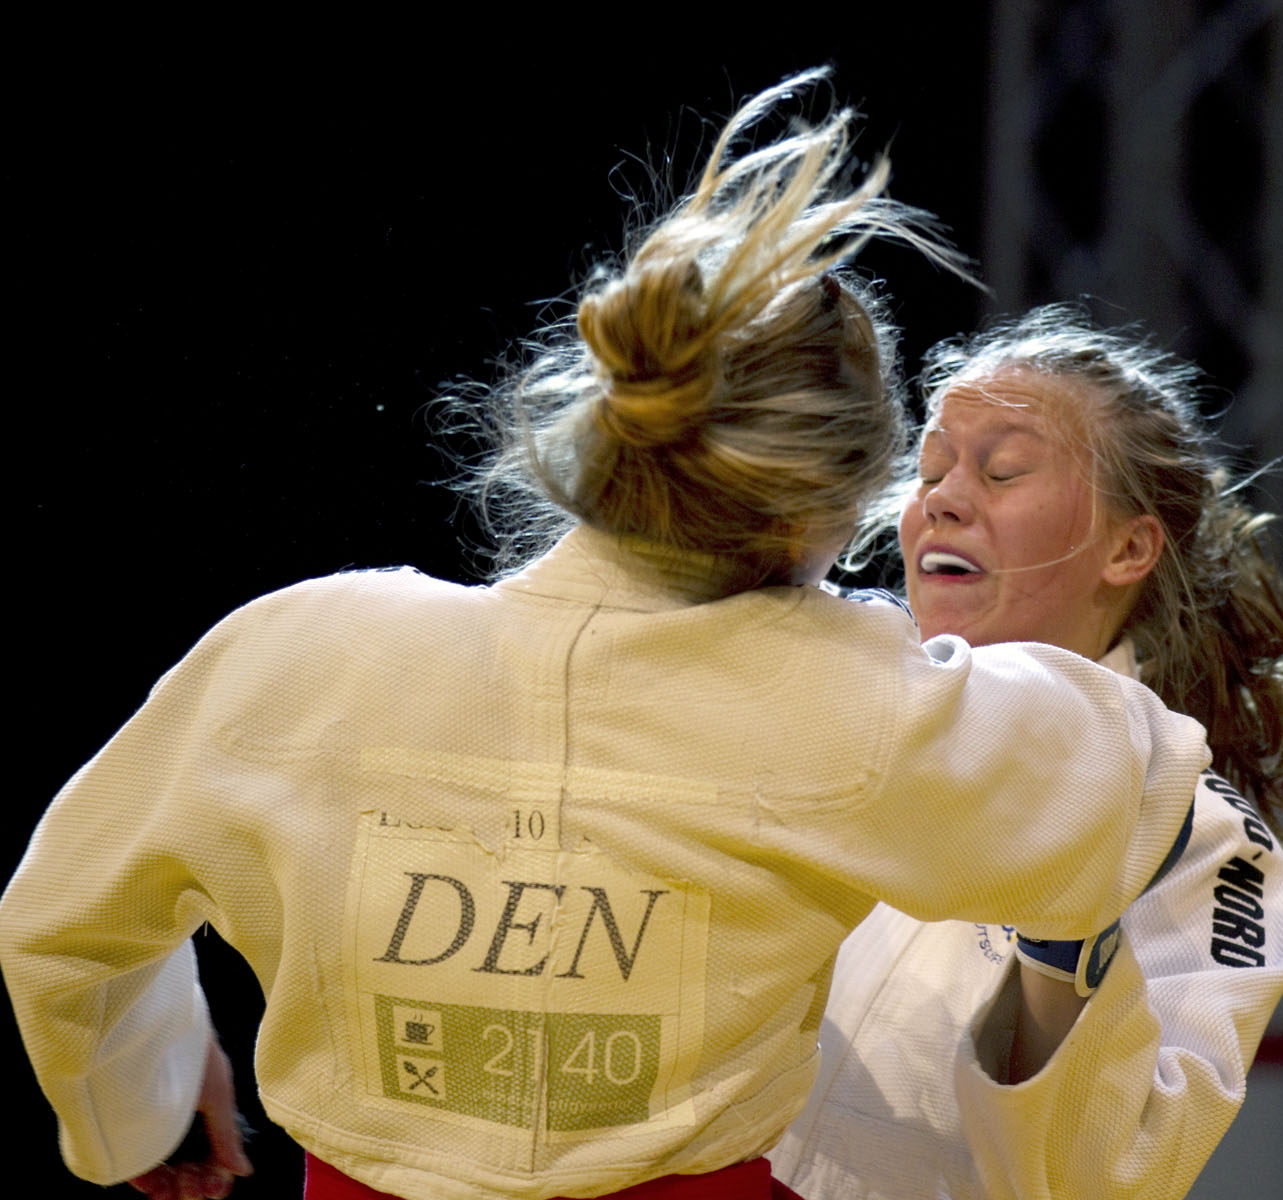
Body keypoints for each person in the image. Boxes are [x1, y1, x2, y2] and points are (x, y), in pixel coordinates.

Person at [0, 81, 1210, 1200]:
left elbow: (60, 921)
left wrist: (144, 1101)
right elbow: (1133, 786)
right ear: (823, 506)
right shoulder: (861, 701)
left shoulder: (304, 650)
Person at [770, 306, 1283, 1199]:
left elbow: (1118, 1171)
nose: (941, 497)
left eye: (1002, 470)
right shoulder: (814, 690)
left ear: (1130, 547)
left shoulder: (1195, 833)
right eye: (932, 467)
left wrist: (1067, 944)